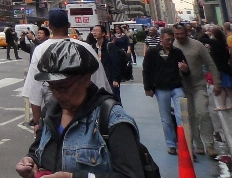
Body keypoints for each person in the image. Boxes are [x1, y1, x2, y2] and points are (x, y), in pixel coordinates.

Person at [16, 40, 147, 178]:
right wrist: (31, 161)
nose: (56, 94)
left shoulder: (111, 118)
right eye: (51, 86)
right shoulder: (50, 110)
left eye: (62, 87)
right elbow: (37, 149)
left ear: (86, 79)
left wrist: (73, 177)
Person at [22, 10, 111, 132]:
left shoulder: (41, 50)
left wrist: (37, 123)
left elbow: (35, 90)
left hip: (54, 118)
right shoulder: (86, 47)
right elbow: (101, 85)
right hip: (91, 115)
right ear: (69, 26)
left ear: (50, 27)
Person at [174, 22, 220, 157]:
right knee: (189, 117)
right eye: (177, 34)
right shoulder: (173, 46)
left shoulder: (197, 45)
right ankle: (198, 144)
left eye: (182, 34)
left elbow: (210, 64)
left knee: (203, 112)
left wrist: (217, 83)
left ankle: (209, 144)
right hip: (182, 87)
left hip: (198, 85)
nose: (180, 36)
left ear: (187, 32)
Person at [142, 26, 188, 155]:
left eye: (171, 40)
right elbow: (146, 70)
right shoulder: (152, 52)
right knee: (166, 118)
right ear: (161, 39)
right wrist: (148, 87)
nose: (170, 42)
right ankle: (171, 144)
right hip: (161, 89)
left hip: (176, 87)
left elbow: (186, 69)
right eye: (167, 40)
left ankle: (185, 142)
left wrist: (185, 69)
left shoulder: (177, 52)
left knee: (182, 116)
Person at [89, 25, 125, 102]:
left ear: (103, 34)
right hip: (99, 78)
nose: (94, 32)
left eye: (97, 30)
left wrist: (116, 79)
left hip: (110, 78)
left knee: (114, 99)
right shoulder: (94, 47)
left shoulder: (109, 46)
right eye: (93, 30)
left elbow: (116, 62)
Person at [209, 26, 232, 110]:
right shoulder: (223, 43)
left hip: (221, 68)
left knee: (225, 87)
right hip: (224, 67)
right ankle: (223, 105)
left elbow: (202, 39)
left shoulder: (216, 44)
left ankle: (225, 105)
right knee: (224, 87)